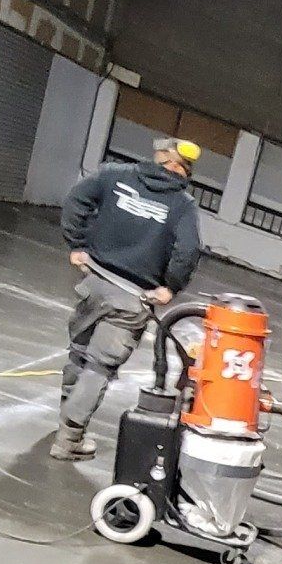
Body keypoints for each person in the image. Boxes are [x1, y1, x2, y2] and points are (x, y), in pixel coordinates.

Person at [52, 135, 205, 459]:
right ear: (183, 169)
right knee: (98, 366)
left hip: (93, 284)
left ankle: (65, 423)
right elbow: (188, 250)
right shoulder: (182, 205)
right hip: (132, 299)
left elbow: (76, 200)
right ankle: (69, 439)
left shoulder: (114, 175)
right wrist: (170, 287)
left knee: (79, 355)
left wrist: (77, 244)